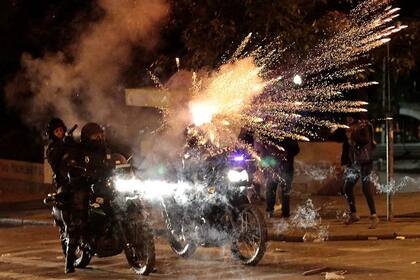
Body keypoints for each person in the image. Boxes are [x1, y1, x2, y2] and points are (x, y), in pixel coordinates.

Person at [341, 115, 379, 229]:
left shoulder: (363, 127)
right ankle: (354, 214)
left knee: (365, 188)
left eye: (349, 118)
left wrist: (353, 134)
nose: (347, 120)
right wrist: (345, 162)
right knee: (347, 187)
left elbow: (365, 140)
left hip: (365, 163)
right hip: (355, 164)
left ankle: (374, 216)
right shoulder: (348, 129)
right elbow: (347, 147)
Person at [46, 118, 74, 256]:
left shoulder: (67, 143)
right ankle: (69, 255)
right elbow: (55, 158)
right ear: (52, 133)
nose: (60, 132)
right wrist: (65, 145)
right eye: (57, 131)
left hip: (76, 179)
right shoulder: (52, 148)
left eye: (61, 130)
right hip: (63, 182)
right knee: (66, 210)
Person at [256, 137, 300, 219]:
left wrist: (287, 154)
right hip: (274, 169)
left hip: (285, 168)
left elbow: (296, 149)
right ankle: (271, 211)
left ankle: (285, 212)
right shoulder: (270, 137)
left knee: (285, 192)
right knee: (271, 190)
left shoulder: (288, 137)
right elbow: (264, 151)